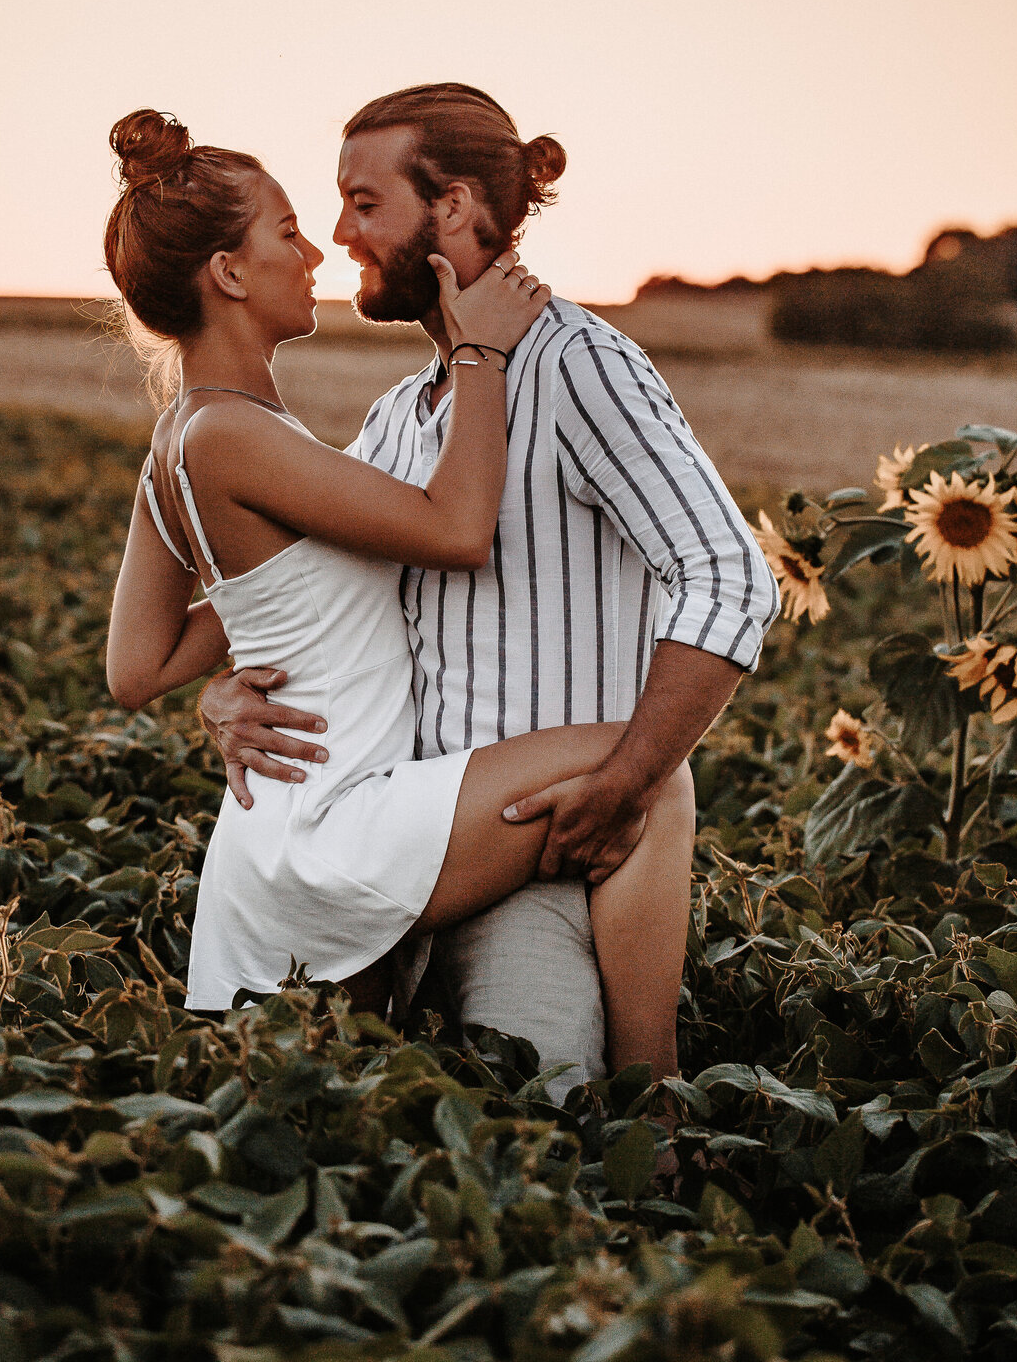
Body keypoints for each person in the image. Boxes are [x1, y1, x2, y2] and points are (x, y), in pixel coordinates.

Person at [199, 84, 781, 1088]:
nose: (339, 234)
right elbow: (328, 608)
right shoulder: (397, 416)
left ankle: (665, 1114)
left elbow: (725, 573)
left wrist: (628, 778)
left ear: (457, 206)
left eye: (365, 203)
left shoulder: (580, 365)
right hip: (399, 864)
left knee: (543, 1139)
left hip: (545, 860)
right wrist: (227, 694)